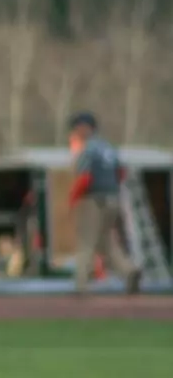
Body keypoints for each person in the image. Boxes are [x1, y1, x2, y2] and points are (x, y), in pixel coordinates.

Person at [67, 112, 142, 295]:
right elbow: (121, 173)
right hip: (113, 198)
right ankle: (129, 270)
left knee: (86, 240)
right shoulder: (109, 148)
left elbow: (85, 177)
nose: (76, 131)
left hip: (94, 198)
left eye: (78, 127)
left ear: (86, 127)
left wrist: (72, 200)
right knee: (105, 240)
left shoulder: (88, 149)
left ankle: (81, 284)